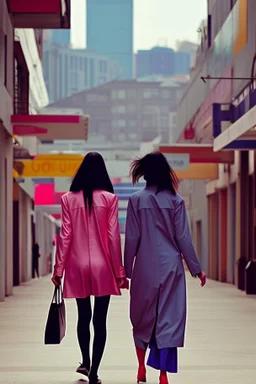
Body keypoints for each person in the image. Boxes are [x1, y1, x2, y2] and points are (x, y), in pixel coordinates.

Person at [124, 152, 206, 384]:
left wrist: (126, 272)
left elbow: (132, 239)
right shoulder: (176, 200)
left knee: (141, 319)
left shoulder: (136, 200)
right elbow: (183, 238)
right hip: (171, 268)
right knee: (168, 319)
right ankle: (163, 374)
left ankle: (141, 367)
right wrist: (196, 268)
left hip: (145, 269)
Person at [51, 152, 128, 384]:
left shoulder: (68, 199)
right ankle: (94, 372)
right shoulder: (110, 199)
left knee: (83, 316)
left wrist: (58, 270)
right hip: (103, 266)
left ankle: (84, 361)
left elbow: (65, 236)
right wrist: (120, 273)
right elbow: (113, 237)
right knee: (100, 321)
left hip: (77, 266)